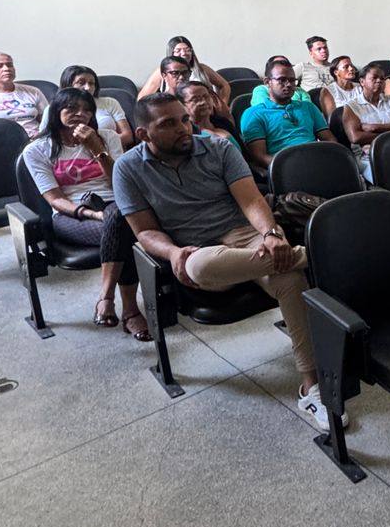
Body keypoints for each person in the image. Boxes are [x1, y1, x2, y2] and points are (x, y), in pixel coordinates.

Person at [113, 93, 329, 425]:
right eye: (169, 123)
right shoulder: (127, 168)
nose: (184, 128)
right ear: (143, 134)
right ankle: (322, 254)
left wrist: (271, 234)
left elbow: (251, 200)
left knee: (288, 275)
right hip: (195, 248)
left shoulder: (218, 148)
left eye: (185, 119)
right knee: (199, 265)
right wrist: (172, 252)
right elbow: (144, 232)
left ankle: (310, 385)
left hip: (243, 234)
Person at [22, 87, 149, 339]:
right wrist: (94, 215)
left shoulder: (108, 137)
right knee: (122, 227)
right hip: (72, 216)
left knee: (119, 219)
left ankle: (106, 298)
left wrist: (97, 148)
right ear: (56, 112)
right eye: (71, 108)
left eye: (87, 110)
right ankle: (131, 312)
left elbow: (120, 185)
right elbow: (55, 200)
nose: (80, 114)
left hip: (116, 206)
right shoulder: (37, 149)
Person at [239, 58, 334, 176]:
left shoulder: (308, 107)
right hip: (287, 170)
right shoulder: (254, 114)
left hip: (318, 162)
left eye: (292, 80)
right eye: (282, 80)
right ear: (267, 82)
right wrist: (290, 168)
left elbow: (329, 140)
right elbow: (259, 156)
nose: (288, 84)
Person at [339, 61, 390, 177]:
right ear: (362, 82)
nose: (379, 81)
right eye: (374, 78)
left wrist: (375, 127)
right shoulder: (352, 106)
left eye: (382, 78)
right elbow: (356, 137)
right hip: (367, 155)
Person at [56, 66, 135, 148]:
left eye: (91, 83)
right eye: (81, 83)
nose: (88, 88)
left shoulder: (110, 103)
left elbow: (128, 136)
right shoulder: (56, 107)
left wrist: (96, 144)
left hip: (109, 150)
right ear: (68, 85)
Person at [137, 36, 230, 104]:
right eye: (178, 51)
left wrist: (223, 104)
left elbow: (224, 85)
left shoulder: (202, 69)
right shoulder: (161, 71)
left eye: (187, 50)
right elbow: (142, 98)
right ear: (171, 53)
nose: (184, 53)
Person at [177, 81, 240, 149]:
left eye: (206, 97)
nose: (203, 102)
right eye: (195, 99)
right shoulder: (187, 132)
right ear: (182, 105)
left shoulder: (223, 122)